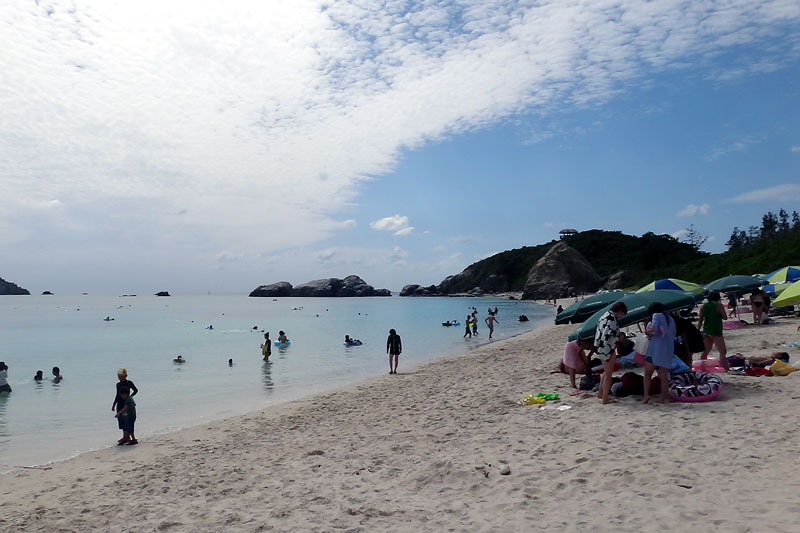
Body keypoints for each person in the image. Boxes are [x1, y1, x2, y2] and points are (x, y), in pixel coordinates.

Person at [593, 302, 628, 404]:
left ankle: (601, 394)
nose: (621, 316)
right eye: (622, 314)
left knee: (605, 372)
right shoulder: (612, 319)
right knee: (608, 374)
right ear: (620, 311)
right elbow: (608, 336)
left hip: (600, 347)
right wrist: (619, 338)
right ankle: (605, 399)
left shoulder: (604, 315)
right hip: (607, 349)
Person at [643, 303, 676, 404]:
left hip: (655, 349)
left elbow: (654, 329)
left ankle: (646, 395)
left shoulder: (656, 315)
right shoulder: (671, 319)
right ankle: (662, 397)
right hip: (667, 349)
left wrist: (647, 331)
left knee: (648, 374)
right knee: (664, 375)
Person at [698, 291, 729, 371]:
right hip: (716, 330)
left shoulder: (703, 306)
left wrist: (698, 329)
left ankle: (703, 368)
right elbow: (725, 317)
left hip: (706, 330)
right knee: (722, 352)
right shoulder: (719, 305)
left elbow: (700, 320)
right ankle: (725, 369)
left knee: (705, 352)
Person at [112, 369, 138, 444]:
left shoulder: (129, 383)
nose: (120, 379)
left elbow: (135, 390)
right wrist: (114, 404)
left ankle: (127, 437)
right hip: (119, 404)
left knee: (127, 420)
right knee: (121, 421)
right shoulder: (118, 384)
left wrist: (130, 396)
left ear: (125, 376)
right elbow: (117, 394)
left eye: (121, 377)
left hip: (126, 405)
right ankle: (125, 437)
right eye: (119, 377)